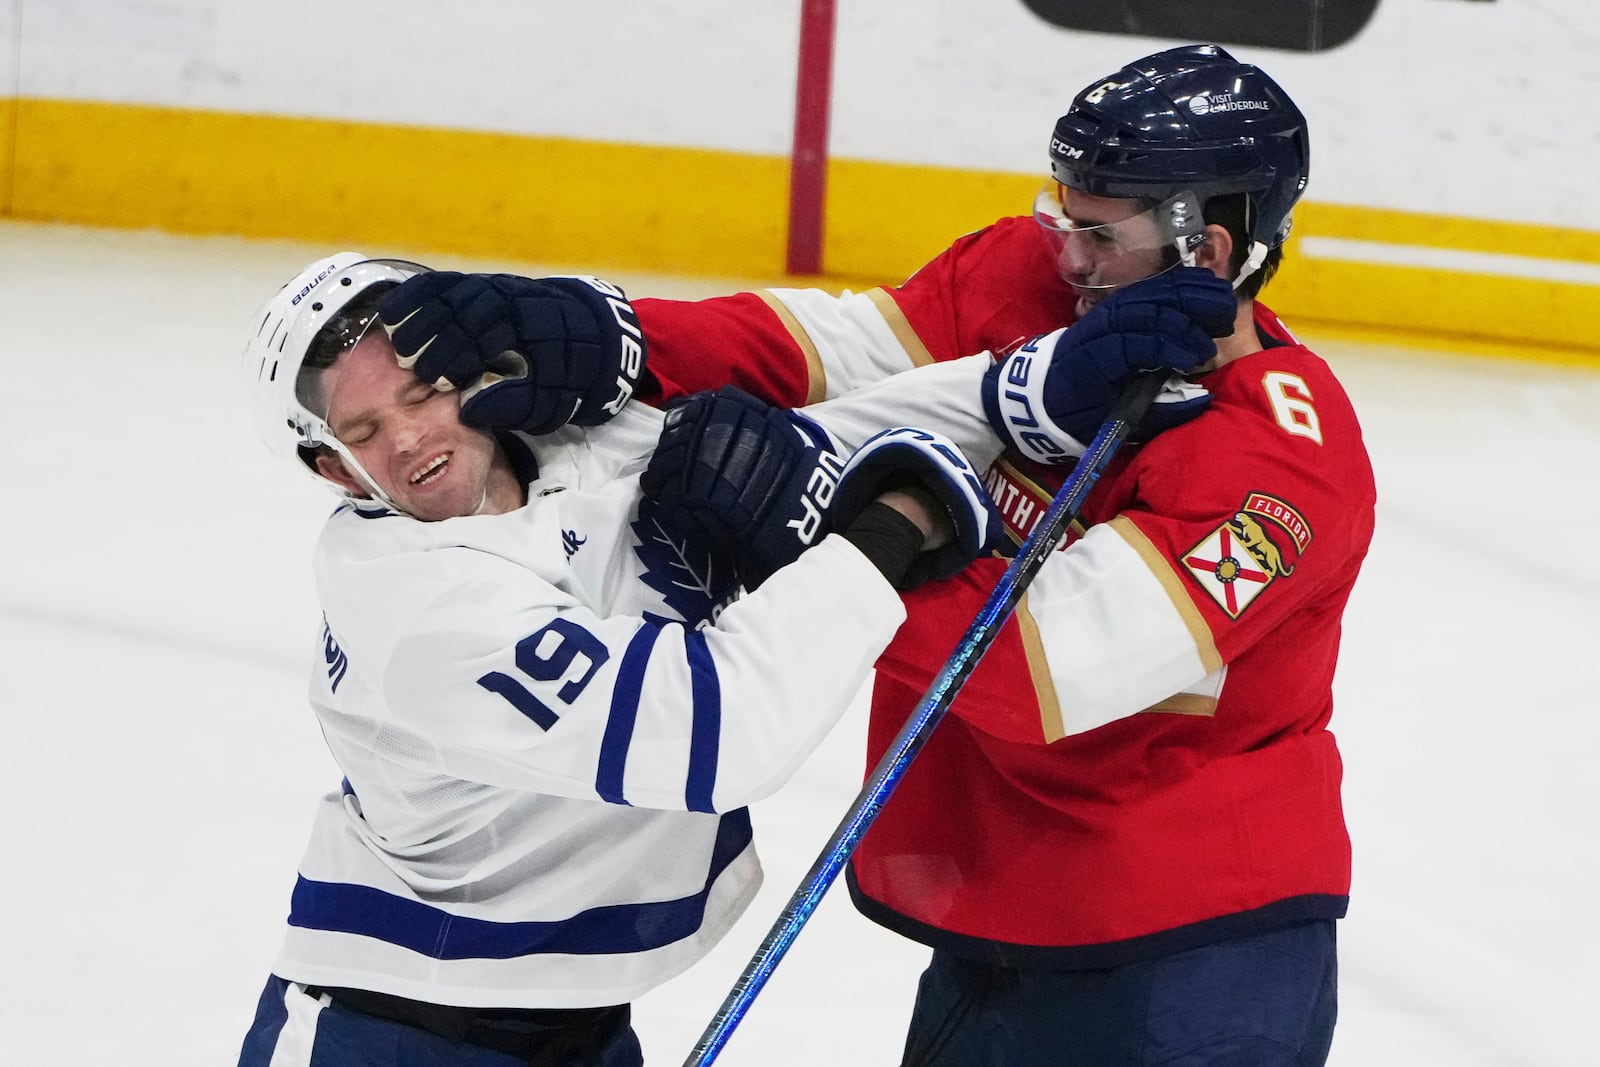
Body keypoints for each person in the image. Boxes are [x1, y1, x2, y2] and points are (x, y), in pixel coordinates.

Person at [375, 42, 1377, 1065]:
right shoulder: (1028, 282)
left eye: (1098, 234)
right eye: (1062, 217)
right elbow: (822, 357)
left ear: (1205, 248)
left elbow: (1042, 668)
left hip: (1192, 958)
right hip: (1010, 910)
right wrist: (610, 337)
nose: (1067, 258)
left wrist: (816, 524)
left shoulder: (1282, 461)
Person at [231, 253, 1011, 1066]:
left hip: (574, 1022)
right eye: (363, 432)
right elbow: (723, 732)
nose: (408, 437)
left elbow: (820, 420)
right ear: (335, 468)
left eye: (422, 391)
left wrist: (1028, 392)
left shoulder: (570, 443)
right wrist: (891, 524)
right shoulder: (413, 609)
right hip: (396, 1036)